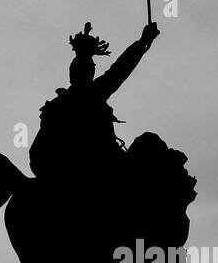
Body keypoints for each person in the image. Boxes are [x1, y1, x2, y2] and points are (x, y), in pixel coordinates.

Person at [28, 20, 160, 188]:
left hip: (51, 166)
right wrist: (143, 42)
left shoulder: (57, 103)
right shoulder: (91, 93)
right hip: (89, 166)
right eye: (90, 67)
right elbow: (119, 70)